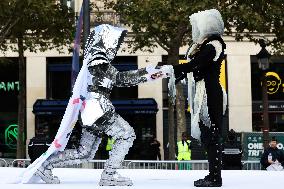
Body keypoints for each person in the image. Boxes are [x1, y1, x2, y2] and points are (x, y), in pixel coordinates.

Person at [33, 24, 166, 186]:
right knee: (126, 135)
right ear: (107, 40)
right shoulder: (98, 58)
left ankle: (45, 166)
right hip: (98, 107)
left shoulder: (93, 57)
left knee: (85, 152)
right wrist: (151, 73)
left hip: (90, 110)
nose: (116, 45)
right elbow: (120, 79)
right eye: (115, 41)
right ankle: (109, 174)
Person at [170, 9, 227, 187]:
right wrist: (180, 73)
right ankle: (212, 175)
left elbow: (197, 64)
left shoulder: (214, 44)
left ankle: (215, 177)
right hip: (204, 92)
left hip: (210, 94)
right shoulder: (205, 44)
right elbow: (196, 67)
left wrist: (174, 69)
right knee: (207, 135)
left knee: (212, 135)